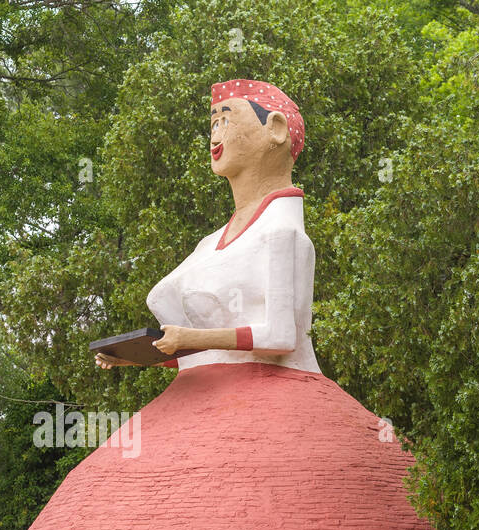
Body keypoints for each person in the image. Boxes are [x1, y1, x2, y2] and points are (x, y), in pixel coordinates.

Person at [96, 79, 319, 374]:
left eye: (226, 121)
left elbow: (281, 337)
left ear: (275, 129)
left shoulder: (282, 233)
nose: (215, 138)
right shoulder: (208, 243)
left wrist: (189, 338)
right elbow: (206, 353)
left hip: (273, 390)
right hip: (207, 390)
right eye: (214, 125)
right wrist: (144, 355)